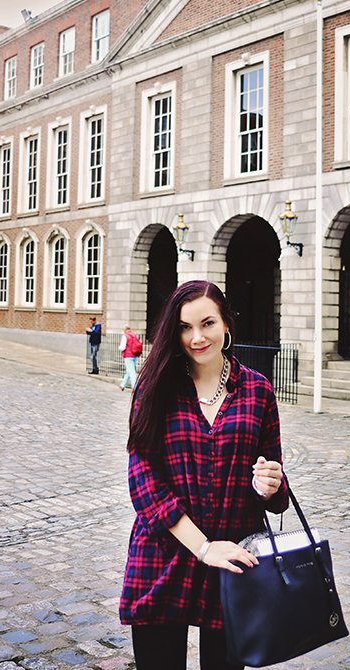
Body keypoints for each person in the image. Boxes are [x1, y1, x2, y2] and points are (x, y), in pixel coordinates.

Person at [119, 280, 288, 670]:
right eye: (184, 327)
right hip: (164, 555)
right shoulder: (155, 386)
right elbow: (143, 481)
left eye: (207, 323)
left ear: (226, 324)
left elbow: (277, 490)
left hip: (234, 559)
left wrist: (269, 485)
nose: (197, 337)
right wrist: (202, 547)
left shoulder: (257, 391)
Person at [119, 326, 138, 391]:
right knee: (129, 370)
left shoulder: (125, 336)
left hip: (128, 356)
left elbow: (123, 347)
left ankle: (134, 387)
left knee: (132, 372)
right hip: (135, 355)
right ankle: (122, 385)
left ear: (125, 330)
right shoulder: (134, 335)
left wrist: (119, 348)